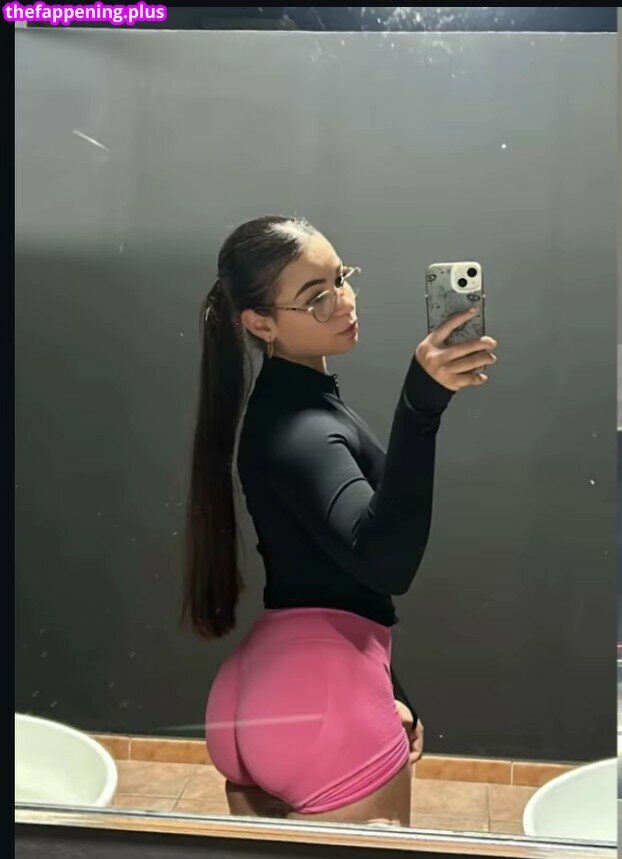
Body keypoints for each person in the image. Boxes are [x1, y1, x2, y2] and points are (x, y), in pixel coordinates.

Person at [181, 215, 498, 825]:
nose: (344, 302)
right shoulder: (299, 429)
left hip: (265, 683)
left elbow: (332, 571)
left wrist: (386, 687)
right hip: (319, 701)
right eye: (316, 297)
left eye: (341, 278)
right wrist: (420, 406)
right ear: (260, 323)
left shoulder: (290, 407)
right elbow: (385, 563)